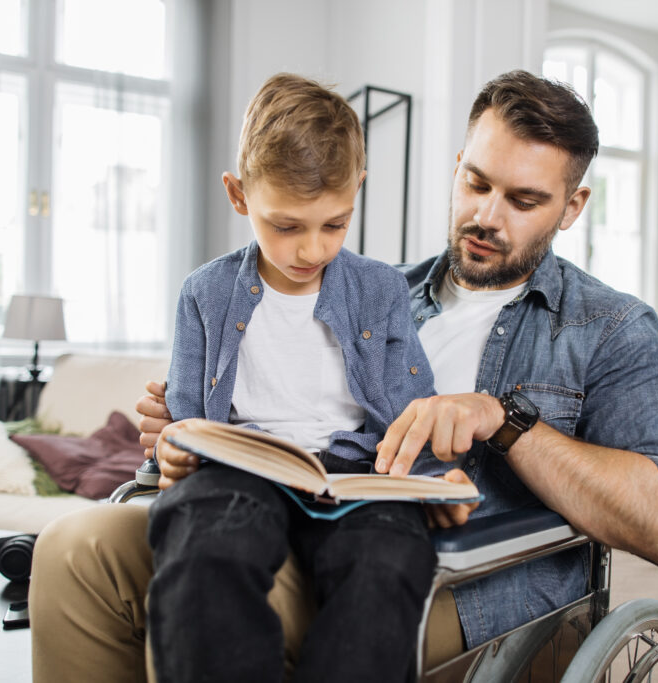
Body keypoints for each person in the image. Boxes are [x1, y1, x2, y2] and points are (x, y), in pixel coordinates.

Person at [29, 70, 658, 681]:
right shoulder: (375, 288)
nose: (485, 214)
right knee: (74, 548)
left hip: (463, 579)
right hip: (284, 511)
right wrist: (192, 430)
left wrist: (502, 421)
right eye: (475, 182)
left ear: (571, 207)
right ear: (456, 166)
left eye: (523, 199)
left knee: (230, 591)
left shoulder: (610, 327)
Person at [142, 72, 462, 682]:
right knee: (205, 550)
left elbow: (411, 405)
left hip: (356, 475)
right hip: (240, 468)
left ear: (358, 191)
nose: (311, 249)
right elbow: (184, 421)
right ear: (239, 196)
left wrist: (433, 480)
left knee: (390, 562)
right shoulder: (204, 293)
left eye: (334, 224)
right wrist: (174, 451)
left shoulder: (381, 289)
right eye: (286, 226)